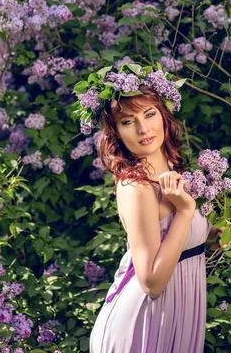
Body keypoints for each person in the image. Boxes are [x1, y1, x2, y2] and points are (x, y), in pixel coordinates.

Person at [72, 64, 223, 352]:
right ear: (115, 131)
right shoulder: (136, 188)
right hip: (143, 327)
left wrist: (209, 234)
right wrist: (186, 212)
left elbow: (175, 245)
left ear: (164, 115)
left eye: (149, 114)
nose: (143, 129)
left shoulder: (172, 171)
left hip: (178, 316)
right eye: (128, 121)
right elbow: (152, 284)